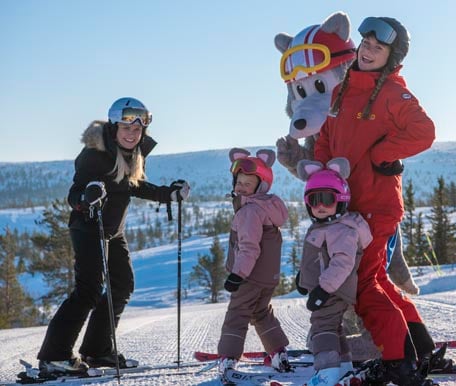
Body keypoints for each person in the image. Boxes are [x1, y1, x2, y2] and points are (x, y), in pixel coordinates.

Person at [314, 16, 439, 386]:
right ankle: (421, 350)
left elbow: (425, 131)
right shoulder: (344, 89)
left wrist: (383, 153)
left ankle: (400, 363)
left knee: (365, 287)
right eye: (366, 43)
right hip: (349, 204)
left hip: (376, 204)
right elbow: (327, 135)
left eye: (378, 47)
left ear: (391, 56)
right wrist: (322, 171)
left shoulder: (392, 93)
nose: (368, 50)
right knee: (377, 280)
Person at [36, 97, 190, 375]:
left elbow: (133, 185)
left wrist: (168, 193)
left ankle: (97, 351)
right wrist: (87, 195)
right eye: (126, 128)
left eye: (137, 130)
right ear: (114, 126)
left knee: (122, 285)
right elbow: (75, 194)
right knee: (88, 291)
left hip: (113, 231)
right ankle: (54, 356)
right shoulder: (95, 155)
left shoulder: (132, 153)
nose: (132, 134)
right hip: (88, 228)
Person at [296, 158, 372, 386]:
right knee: (333, 327)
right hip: (329, 288)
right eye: (314, 200)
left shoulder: (341, 229)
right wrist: (304, 278)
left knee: (322, 327)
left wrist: (322, 289)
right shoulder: (325, 226)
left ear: (340, 200)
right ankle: (343, 367)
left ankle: (326, 373)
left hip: (333, 290)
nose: (320, 205)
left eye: (327, 199)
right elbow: (318, 259)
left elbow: (342, 262)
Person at [217, 148, 291, 381]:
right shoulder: (268, 207)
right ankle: (278, 353)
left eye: (247, 184)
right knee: (260, 312)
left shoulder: (249, 211)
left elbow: (250, 248)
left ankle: (228, 358)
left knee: (237, 314)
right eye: (239, 182)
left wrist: (237, 275)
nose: (240, 187)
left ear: (260, 187)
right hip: (267, 277)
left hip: (249, 275)